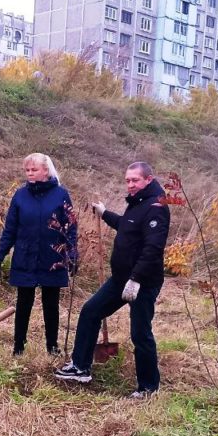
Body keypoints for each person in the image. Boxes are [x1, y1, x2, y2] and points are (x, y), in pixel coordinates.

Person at [54, 161, 170, 398]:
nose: (130, 185)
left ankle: (149, 387)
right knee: (90, 311)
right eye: (127, 180)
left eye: (135, 180)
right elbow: (126, 227)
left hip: (143, 282)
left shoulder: (156, 206)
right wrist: (105, 213)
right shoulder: (137, 203)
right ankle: (80, 367)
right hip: (120, 279)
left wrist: (136, 279)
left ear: (148, 179)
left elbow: (153, 248)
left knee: (140, 333)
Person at [0, 153, 77, 356]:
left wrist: (72, 255)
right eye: (27, 170)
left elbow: (70, 228)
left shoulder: (61, 194)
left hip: (52, 258)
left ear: (45, 171)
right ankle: (18, 347)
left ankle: (52, 346)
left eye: (34, 170)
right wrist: (0, 254)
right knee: (24, 303)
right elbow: (10, 229)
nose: (30, 174)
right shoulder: (20, 195)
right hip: (25, 255)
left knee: (51, 304)